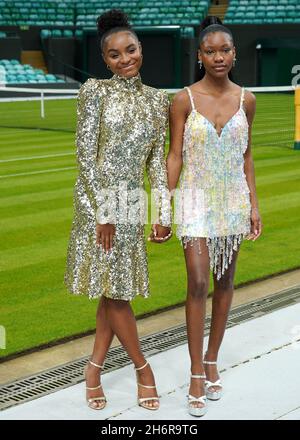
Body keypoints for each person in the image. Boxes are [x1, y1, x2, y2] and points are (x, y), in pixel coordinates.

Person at [64, 9, 171, 411]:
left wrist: (162, 211)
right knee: (118, 293)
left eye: (130, 50)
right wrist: (103, 210)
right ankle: (143, 368)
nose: (124, 59)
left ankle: (93, 368)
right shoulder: (95, 91)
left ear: (141, 49)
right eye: (114, 55)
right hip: (99, 206)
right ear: (104, 59)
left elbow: (157, 163)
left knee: (114, 291)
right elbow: (85, 155)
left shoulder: (158, 101)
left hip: (131, 204)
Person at [167, 16, 262, 417]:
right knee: (199, 280)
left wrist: (254, 204)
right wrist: (162, 206)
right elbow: (175, 156)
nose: (218, 56)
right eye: (210, 51)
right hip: (193, 201)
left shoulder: (248, 100)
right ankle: (193, 374)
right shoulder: (183, 100)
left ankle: (211, 359)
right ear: (200, 56)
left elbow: (246, 156)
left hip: (233, 203)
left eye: (225, 50)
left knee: (224, 282)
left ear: (234, 54)